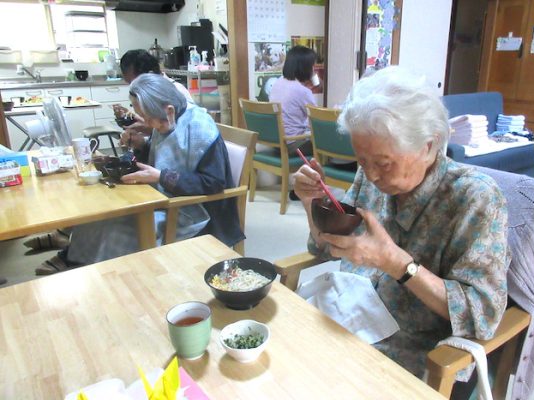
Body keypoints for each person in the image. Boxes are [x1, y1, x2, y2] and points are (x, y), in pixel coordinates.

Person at [293, 66, 509, 381]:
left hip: (407, 348)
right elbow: (329, 246)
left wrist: (395, 262)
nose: (371, 175)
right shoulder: (371, 176)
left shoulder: (476, 199)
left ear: (428, 145)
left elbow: (482, 314)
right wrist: (311, 201)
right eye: (362, 161)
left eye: (383, 163)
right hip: (350, 313)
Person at [35, 74, 243, 274]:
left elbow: (214, 182)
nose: (145, 123)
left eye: (147, 118)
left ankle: (106, 274)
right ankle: (76, 258)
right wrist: (142, 144)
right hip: (165, 198)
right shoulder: (171, 118)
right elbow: (165, 154)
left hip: (194, 211)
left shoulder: (199, 128)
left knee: (114, 229)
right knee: (99, 214)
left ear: (169, 110)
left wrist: (162, 177)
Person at [23, 50, 195, 252]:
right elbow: (161, 131)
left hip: (173, 189)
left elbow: (172, 132)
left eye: (131, 80)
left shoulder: (175, 96)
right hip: (158, 163)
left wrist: (144, 129)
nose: (128, 85)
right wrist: (136, 132)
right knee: (98, 193)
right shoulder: (154, 96)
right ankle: (68, 237)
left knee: (111, 208)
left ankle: (72, 249)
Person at [269, 45, 319, 155]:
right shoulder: (302, 91)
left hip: (276, 142)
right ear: (305, 68)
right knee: (327, 146)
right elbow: (317, 121)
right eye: (312, 67)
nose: (313, 70)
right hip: (294, 145)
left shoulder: (278, 83)